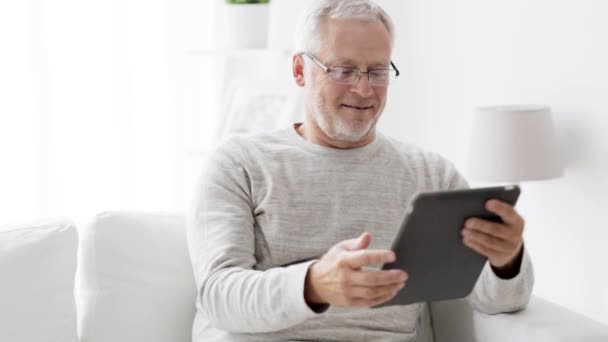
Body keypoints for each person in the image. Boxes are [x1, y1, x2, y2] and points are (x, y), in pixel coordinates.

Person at [186, 0, 534, 341]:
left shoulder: (432, 175)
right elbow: (219, 296)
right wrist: (314, 284)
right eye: (343, 70)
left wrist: (508, 259)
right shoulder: (239, 163)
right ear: (299, 71)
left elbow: (499, 301)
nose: (364, 89)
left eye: (378, 71)